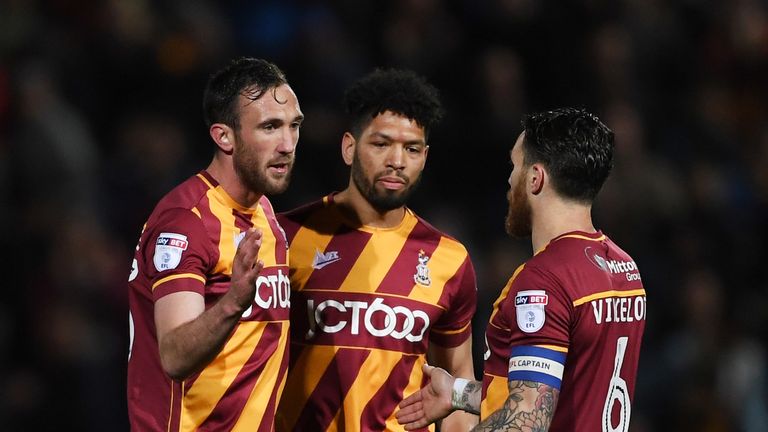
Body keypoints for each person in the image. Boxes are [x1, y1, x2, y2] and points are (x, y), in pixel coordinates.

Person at [397, 108, 647, 431]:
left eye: (515, 166)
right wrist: (458, 392)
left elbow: (528, 419)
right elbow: (560, 390)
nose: (510, 179)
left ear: (535, 178)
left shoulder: (545, 281)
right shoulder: (625, 268)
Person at [274, 68, 478, 432]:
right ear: (349, 147)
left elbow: (457, 383)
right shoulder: (286, 237)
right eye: (381, 144)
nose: (397, 161)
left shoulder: (448, 259)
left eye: (411, 148)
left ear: (425, 157)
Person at [126, 57, 304, 431]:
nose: (287, 144)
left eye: (294, 126)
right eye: (270, 127)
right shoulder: (186, 222)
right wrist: (234, 302)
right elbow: (174, 355)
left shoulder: (265, 213)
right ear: (224, 137)